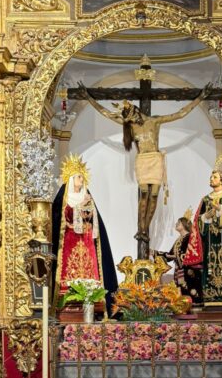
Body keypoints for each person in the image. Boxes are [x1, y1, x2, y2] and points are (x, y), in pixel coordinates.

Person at [79, 84, 210, 258]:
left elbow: (179, 114)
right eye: (129, 118)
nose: (133, 120)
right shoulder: (131, 126)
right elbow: (107, 113)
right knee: (144, 195)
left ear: (136, 110)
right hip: (142, 161)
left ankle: (144, 229)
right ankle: (140, 229)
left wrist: (199, 98)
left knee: (154, 195)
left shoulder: (154, 121)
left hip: (155, 159)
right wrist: (89, 98)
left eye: (133, 115)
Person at [51, 153, 118, 311]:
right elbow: (61, 217)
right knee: (70, 270)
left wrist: (88, 211)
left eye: (82, 177)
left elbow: (94, 220)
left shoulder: (86, 196)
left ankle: (94, 302)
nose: (82, 180)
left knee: (89, 270)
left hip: (87, 241)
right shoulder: (64, 197)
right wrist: (79, 208)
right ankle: (66, 303)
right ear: (72, 178)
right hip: (69, 241)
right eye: (79, 177)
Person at [184, 168, 222, 305]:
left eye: (214, 177)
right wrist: (206, 216)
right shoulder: (206, 199)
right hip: (210, 240)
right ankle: (210, 297)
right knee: (210, 265)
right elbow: (198, 222)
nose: (211, 179)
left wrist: (221, 210)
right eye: (211, 177)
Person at [158, 211, 203, 305]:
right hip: (179, 270)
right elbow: (169, 255)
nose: (176, 224)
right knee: (182, 292)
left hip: (189, 270)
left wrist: (175, 256)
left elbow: (191, 253)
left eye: (179, 222)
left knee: (192, 292)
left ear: (184, 224)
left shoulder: (190, 237)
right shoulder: (178, 240)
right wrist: (155, 253)